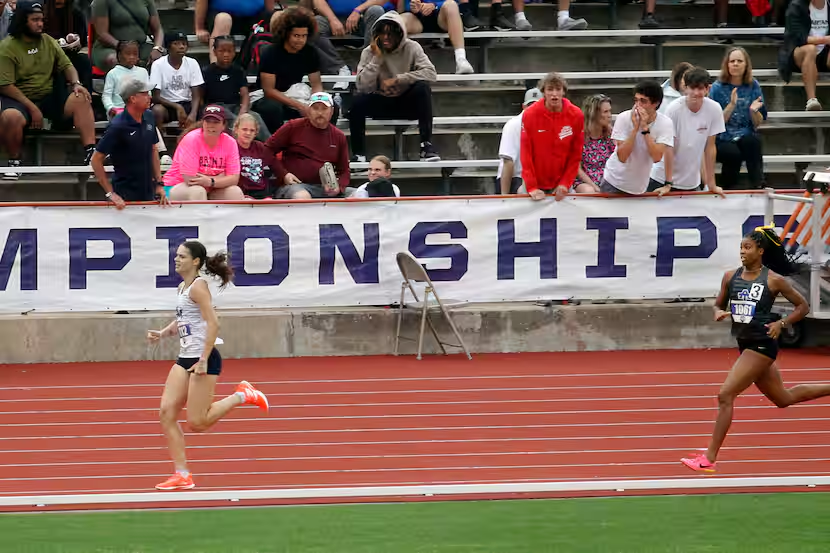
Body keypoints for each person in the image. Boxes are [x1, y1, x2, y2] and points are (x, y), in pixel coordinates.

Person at [680, 226, 830, 473]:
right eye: (741, 247)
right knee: (784, 398)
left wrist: (781, 324)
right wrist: (720, 313)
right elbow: (717, 305)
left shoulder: (774, 279)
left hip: (762, 344)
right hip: (745, 343)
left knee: (725, 395)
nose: (742, 251)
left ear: (760, 251)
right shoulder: (730, 276)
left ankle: (709, 458)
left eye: (747, 247)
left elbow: (802, 307)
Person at [148, 240, 269, 491]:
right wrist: (163, 333)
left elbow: (213, 323)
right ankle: (182, 475)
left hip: (203, 359)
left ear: (195, 262)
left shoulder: (199, 287)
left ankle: (242, 396)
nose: (176, 259)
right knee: (166, 413)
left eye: (182, 256)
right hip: (185, 358)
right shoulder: (183, 286)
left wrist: (203, 359)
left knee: (197, 423)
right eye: (176, 255)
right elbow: (184, 319)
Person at [0, 0, 95, 180]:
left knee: (80, 97)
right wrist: (32, 108)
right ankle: (14, 161)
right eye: (35, 20)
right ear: (22, 20)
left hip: (48, 96)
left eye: (41, 20)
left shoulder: (48, 41)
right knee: (10, 117)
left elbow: (67, 66)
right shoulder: (7, 47)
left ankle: (91, 154)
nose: (40, 24)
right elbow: (5, 85)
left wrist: (76, 83)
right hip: (19, 99)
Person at [350, 11, 439, 162]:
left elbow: (431, 73)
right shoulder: (369, 52)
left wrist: (399, 79)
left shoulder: (412, 47)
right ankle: (359, 155)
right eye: (382, 33)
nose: (386, 38)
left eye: (391, 34)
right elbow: (362, 85)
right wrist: (377, 59)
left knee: (423, 88)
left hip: (406, 103)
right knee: (357, 102)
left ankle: (426, 146)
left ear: (400, 34)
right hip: (381, 102)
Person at [649, 67, 726, 196]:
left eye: (700, 88)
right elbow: (669, 147)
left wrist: (711, 183)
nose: (696, 93)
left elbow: (710, 148)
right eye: (692, 88)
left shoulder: (714, 109)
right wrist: (668, 183)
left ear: (708, 89)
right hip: (661, 179)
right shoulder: (673, 109)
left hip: (691, 182)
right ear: (685, 88)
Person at [92, 76, 166, 207]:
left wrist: (159, 184)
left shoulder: (149, 116)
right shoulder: (117, 126)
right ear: (133, 98)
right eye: (144, 94)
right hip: (125, 195)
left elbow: (153, 149)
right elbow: (96, 160)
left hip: (149, 191)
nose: (149, 97)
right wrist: (110, 194)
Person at [252, 7, 326, 134]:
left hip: (296, 94)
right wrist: (299, 105)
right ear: (286, 34)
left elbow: (316, 84)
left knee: (330, 108)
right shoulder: (271, 53)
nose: (301, 40)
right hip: (269, 98)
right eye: (296, 35)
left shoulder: (310, 52)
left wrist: (317, 103)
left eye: (304, 36)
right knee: (272, 108)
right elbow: (269, 91)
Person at [265, 91, 351, 198]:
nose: (320, 113)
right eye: (315, 108)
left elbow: (344, 170)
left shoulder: (339, 136)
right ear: (309, 110)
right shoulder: (293, 127)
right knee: (302, 196)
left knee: (358, 194)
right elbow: (266, 150)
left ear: (332, 111)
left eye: (324, 109)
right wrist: (283, 174)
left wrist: (340, 187)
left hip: (325, 187)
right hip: (295, 186)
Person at [600, 80, 673, 196]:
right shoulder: (624, 118)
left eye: (643, 101)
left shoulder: (665, 123)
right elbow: (622, 156)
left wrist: (645, 129)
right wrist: (635, 129)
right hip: (614, 182)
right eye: (636, 100)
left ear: (655, 104)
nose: (637, 105)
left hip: (640, 186)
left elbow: (656, 157)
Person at [518, 72, 584, 201]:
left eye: (558, 89)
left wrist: (565, 184)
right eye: (550, 89)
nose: (554, 94)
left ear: (563, 92)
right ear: (543, 92)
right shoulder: (530, 115)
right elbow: (526, 154)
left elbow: (575, 155)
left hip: (561, 181)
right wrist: (532, 187)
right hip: (536, 181)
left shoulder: (576, 115)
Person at [710, 46, 767, 190]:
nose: (735, 64)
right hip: (721, 137)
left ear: (746, 65)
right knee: (733, 153)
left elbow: (758, 123)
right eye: (732, 61)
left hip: (744, 134)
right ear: (727, 64)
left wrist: (754, 112)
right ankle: (728, 188)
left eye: (739, 61)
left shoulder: (753, 85)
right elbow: (716, 123)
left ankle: (758, 185)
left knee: (754, 141)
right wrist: (731, 105)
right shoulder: (717, 88)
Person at [164, 105, 246, 201]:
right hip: (177, 185)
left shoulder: (230, 142)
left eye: (216, 122)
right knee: (198, 192)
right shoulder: (191, 139)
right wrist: (219, 178)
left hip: (210, 187)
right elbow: (190, 179)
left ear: (223, 125)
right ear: (203, 123)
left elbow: (234, 179)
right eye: (208, 121)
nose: (211, 125)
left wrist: (210, 181)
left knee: (235, 192)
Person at [202, 35, 270, 141]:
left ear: (234, 52)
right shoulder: (207, 71)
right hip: (216, 108)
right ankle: (239, 146)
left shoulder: (238, 71)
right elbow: (201, 97)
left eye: (230, 51)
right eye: (222, 51)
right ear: (214, 51)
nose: (226, 54)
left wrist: (243, 112)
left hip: (235, 106)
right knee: (235, 120)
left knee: (255, 116)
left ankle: (270, 145)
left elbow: (245, 94)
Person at [779, 0, 830, 111]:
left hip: (824, 53)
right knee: (810, 49)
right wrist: (825, 39)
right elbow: (797, 38)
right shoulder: (796, 5)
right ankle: (811, 100)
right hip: (799, 52)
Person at [398, 0, 474, 74]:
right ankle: (395, 63)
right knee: (399, 20)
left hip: (442, 16)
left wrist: (434, 5)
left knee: (451, 4)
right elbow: (404, 6)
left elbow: (458, 3)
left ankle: (461, 59)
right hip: (417, 18)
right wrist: (412, 7)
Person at [150, 31, 204, 132]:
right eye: (176, 44)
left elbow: (196, 94)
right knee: (157, 111)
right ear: (168, 47)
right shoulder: (158, 65)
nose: (181, 47)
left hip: (188, 103)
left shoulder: (192, 63)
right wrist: (177, 107)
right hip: (167, 105)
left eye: (184, 44)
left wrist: (193, 113)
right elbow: (156, 97)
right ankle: (159, 142)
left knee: (206, 112)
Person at [91, 0, 164, 71]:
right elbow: (102, 33)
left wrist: (157, 48)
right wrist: (122, 46)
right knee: (116, 60)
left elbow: (158, 29)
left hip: (141, 46)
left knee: (164, 59)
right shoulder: (102, 1)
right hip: (111, 47)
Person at [195, 0, 275, 63]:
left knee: (276, 18)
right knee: (223, 19)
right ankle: (216, 69)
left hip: (254, 16)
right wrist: (200, 28)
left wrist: (270, 17)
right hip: (221, 13)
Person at [496, 87, 540, 194]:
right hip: (514, 178)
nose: (533, 109)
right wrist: (504, 196)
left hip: (534, 178)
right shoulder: (513, 125)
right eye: (530, 105)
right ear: (523, 106)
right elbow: (508, 162)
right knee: (526, 190)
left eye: (537, 105)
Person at [234, 113, 282, 199]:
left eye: (252, 130)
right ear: (236, 129)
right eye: (244, 129)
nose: (248, 133)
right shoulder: (232, 146)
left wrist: (285, 175)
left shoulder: (260, 146)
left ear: (256, 133)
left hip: (262, 190)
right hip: (242, 192)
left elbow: (274, 162)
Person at [574, 93, 614, 194]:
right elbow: (577, 169)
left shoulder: (611, 135)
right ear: (594, 114)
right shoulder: (579, 136)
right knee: (590, 191)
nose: (610, 116)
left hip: (608, 179)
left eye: (610, 111)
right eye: (605, 112)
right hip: (586, 180)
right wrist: (594, 187)